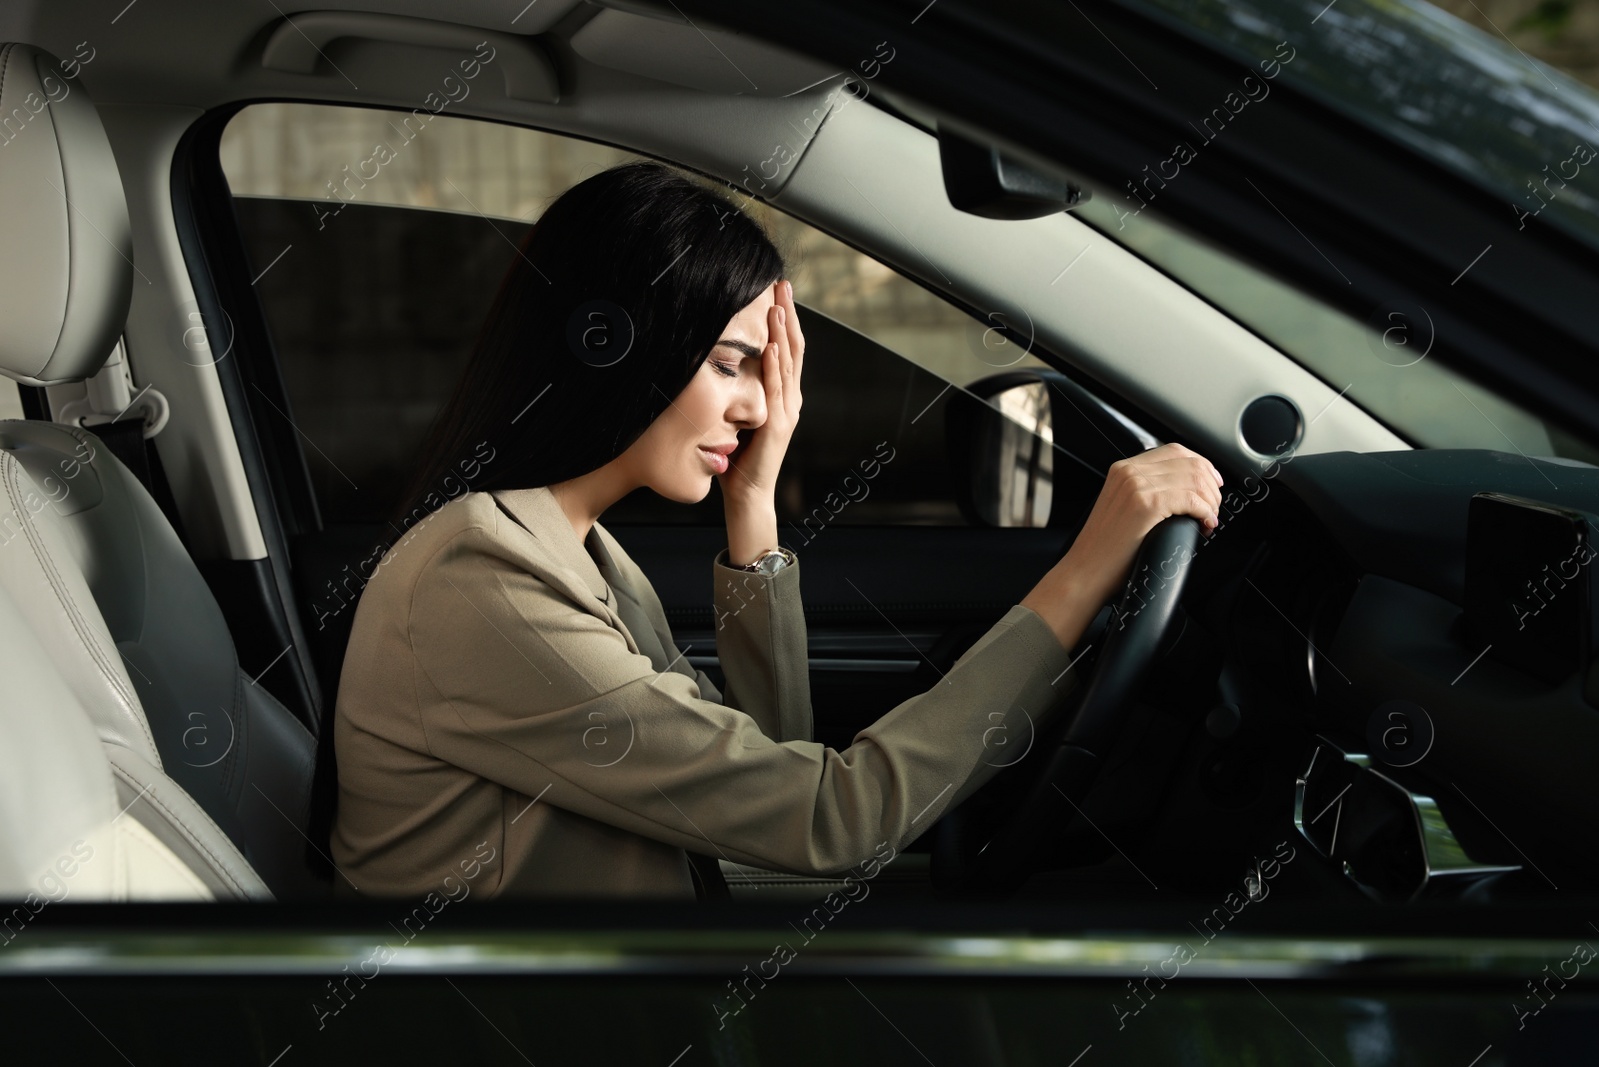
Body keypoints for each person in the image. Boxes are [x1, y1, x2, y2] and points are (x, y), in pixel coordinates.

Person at [329, 159, 1224, 899]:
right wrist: (1088, 567)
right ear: (618, 345)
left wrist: (753, 503)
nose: (760, 405)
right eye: (730, 364)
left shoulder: (582, 550)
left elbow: (764, 784)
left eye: (764, 372)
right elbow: (828, 817)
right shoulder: (484, 577)